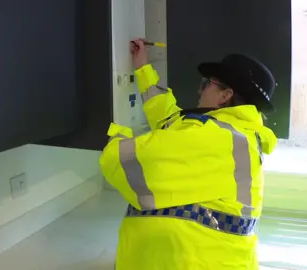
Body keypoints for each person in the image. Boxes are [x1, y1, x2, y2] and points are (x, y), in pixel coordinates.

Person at [99, 38, 278, 270]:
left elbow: (124, 161)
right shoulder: (234, 134)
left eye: (207, 83)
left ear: (225, 95)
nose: (199, 89)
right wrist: (143, 71)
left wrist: (113, 133)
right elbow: (172, 121)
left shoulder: (217, 138)